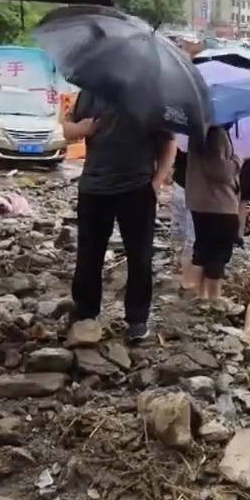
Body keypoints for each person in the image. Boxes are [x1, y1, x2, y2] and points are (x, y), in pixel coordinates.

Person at [63, 90, 175, 343]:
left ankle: (137, 319)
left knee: (139, 256)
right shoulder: (90, 93)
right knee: (89, 254)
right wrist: (81, 128)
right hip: (94, 188)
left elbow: (168, 143)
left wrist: (156, 183)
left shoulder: (151, 97)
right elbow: (67, 131)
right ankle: (86, 312)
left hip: (137, 189)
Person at [185, 126, 241, 304]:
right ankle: (214, 298)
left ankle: (199, 296)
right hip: (219, 203)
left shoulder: (195, 133)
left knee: (202, 249)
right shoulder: (216, 134)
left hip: (199, 202)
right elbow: (221, 171)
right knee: (218, 252)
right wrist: (237, 161)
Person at [169, 140, 195, 289]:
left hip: (180, 183)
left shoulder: (182, 133)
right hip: (195, 186)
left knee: (180, 225)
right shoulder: (206, 137)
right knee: (192, 234)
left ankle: (178, 261)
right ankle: (187, 278)